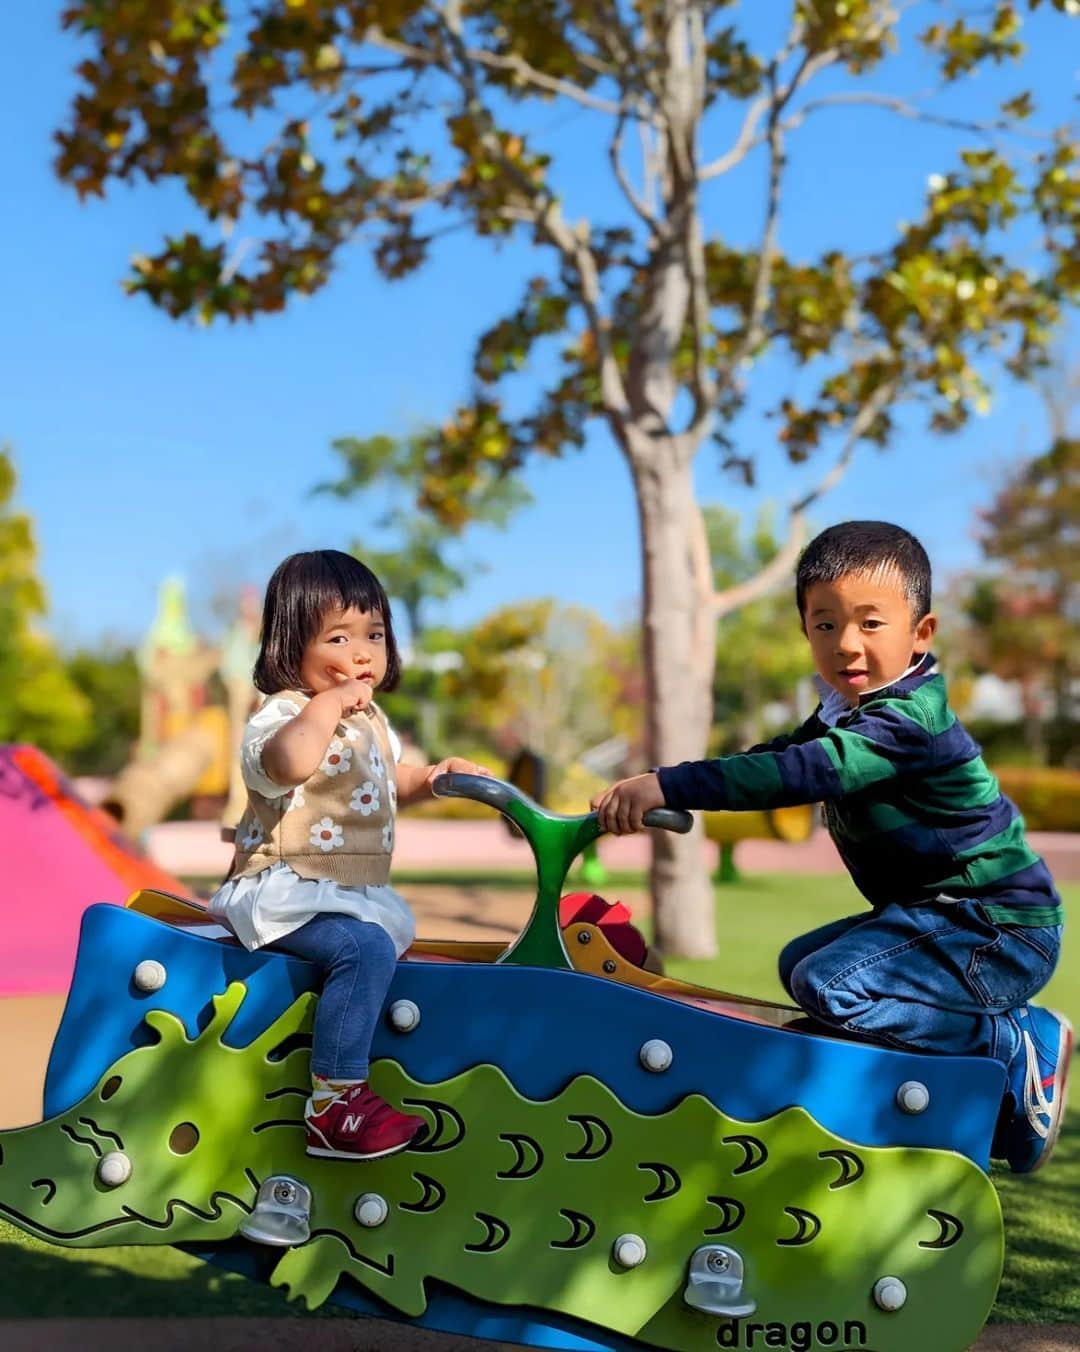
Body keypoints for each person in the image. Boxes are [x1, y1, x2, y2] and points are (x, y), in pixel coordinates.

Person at [593, 521, 1069, 1174]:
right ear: (806, 631)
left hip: (998, 926)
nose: (847, 644)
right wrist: (666, 786)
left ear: (920, 634)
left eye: (871, 624)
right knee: (803, 964)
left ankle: (1011, 1043)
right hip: (942, 919)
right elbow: (781, 755)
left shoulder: (907, 722)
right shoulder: (845, 710)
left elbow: (802, 772)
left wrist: (669, 783)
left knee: (831, 985)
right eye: (825, 624)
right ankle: (971, 1092)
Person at [209, 549, 489, 1162]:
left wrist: (436, 777)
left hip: (343, 892)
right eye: (339, 637)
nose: (362, 652)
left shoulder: (376, 725)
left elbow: (393, 781)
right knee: (362, 949)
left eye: (375, 634)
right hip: (283, 886)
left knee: (389, 944)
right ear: (291, 645)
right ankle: (334, 1103)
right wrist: (326, 706)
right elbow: (289, 763)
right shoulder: (281, 714)